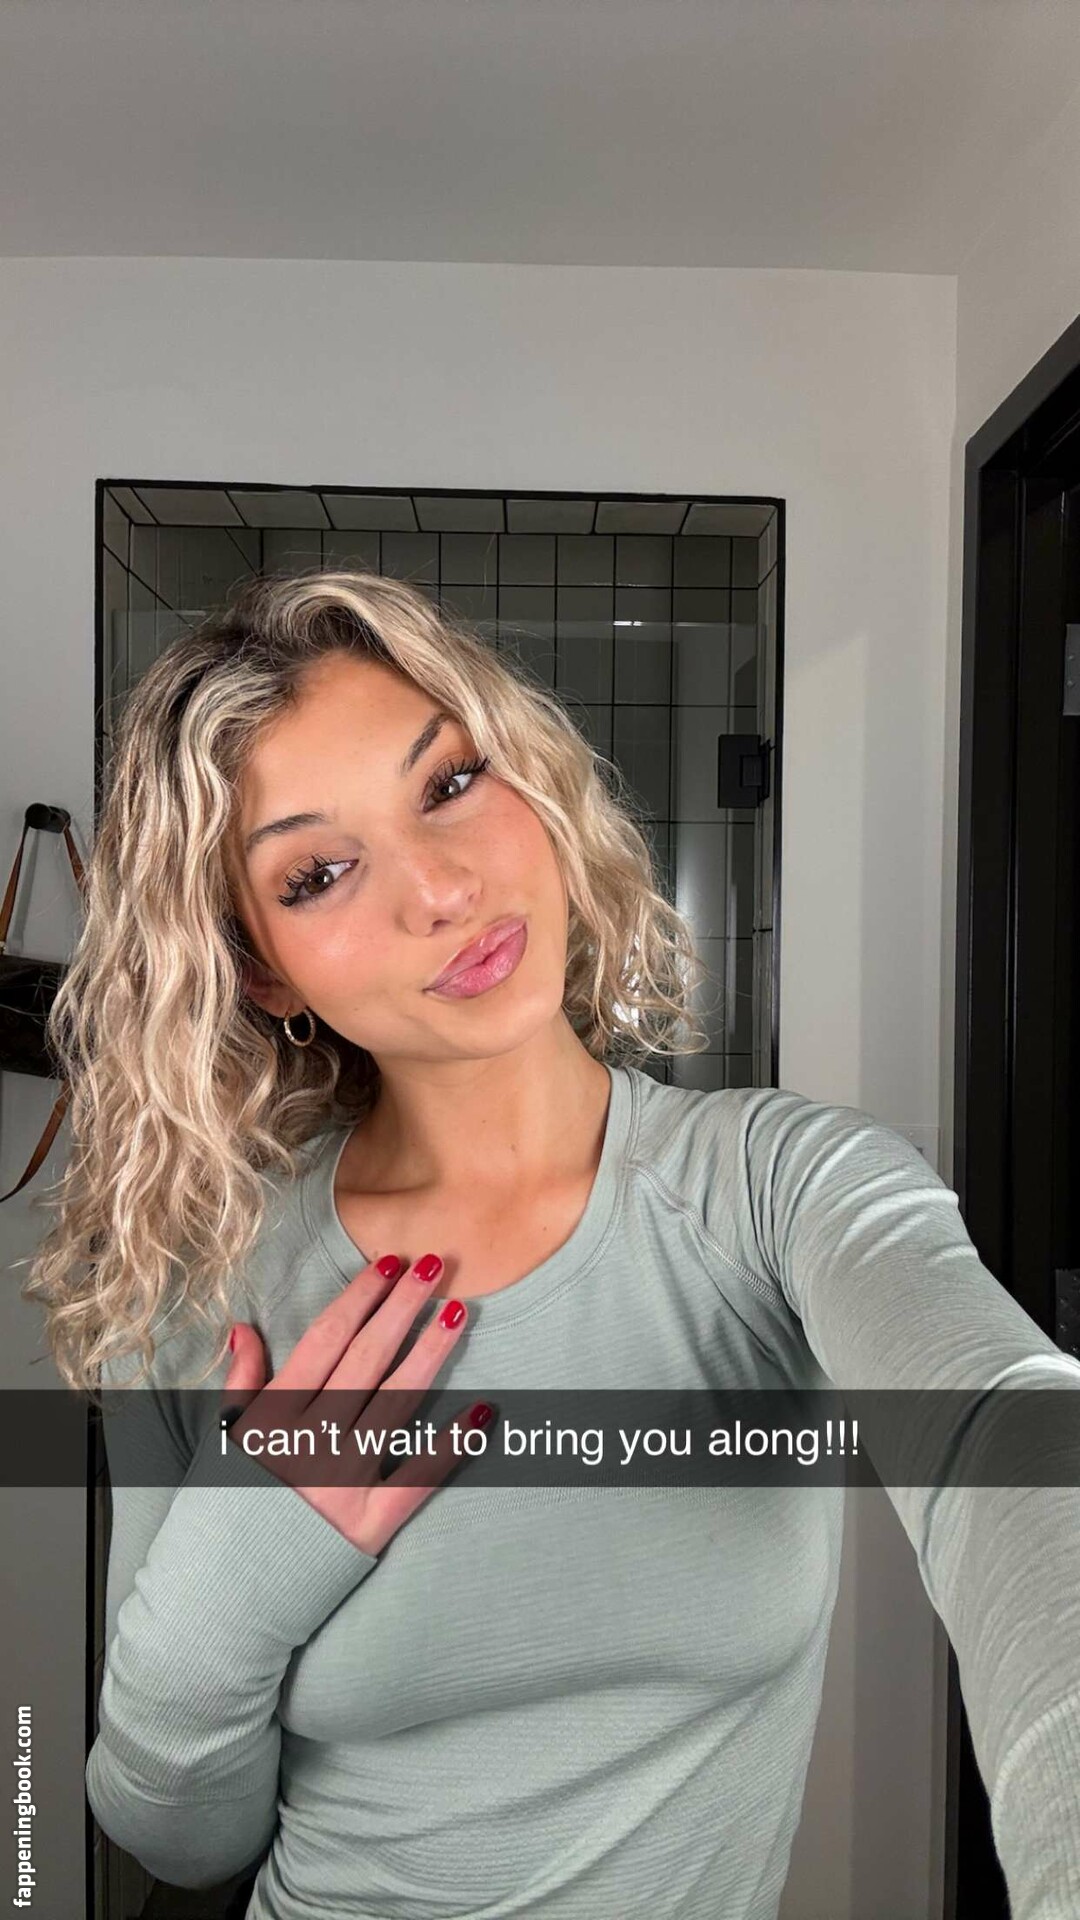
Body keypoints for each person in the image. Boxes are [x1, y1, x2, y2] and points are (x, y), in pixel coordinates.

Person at [20, 570, 1080, 1920]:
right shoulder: (206, 1285)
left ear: (531, 779)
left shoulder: (780, 1190)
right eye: (320, 873)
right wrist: (241, 1564)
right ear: (265, 967)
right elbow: (176, 1836)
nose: (442, 890)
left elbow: (1010, 1447)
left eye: (451, 782)